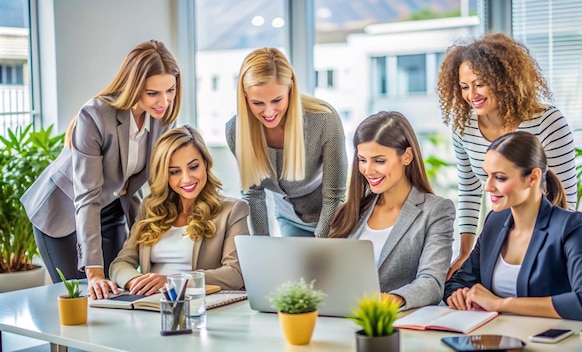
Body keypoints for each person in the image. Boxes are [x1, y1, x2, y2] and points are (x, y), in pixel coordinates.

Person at [20, 40, 181, 299]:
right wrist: (94, 273)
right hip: (64, 211)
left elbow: (158, 181)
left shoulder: (162, 117)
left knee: (115, 291)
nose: (164, 101)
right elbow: (86, 195)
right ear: (134, 85)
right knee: (82, 293)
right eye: (153, 93)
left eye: (170, 90)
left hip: (111, 206)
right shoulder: (95, 115)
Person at [437, 32, 578, 279]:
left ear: (503, 79)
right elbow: (470, 191)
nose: (472, 95)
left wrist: (543, 250)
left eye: (480, 84)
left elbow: (565, 199)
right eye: (463, 86)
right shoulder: (464, 128)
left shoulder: (547, 122)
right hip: (502, 238)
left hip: (548, 241)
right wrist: (465, 253)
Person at [444, 131, 582, 321]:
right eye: (487, 175)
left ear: (533, 177)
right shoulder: (494, 222)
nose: (488, 186)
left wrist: (500, 304)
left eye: (500, 178)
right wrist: (458, 295)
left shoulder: (571, 226)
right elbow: (459, 281)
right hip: (497, 336)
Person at [329, 111, 455, 310]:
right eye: (362, 159)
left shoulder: (436, 210)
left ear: (407, 156)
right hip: (343, 318)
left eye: (379, 161)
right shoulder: (350, 212)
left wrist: (392, 300)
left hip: (397, 323)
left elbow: (432, 282)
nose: (368, 170)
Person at [109, 126, 249, 295]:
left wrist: (174, 281)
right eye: (175, 171)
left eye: (193, 167)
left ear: (205, 162)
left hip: (196, 305)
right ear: (165, 175)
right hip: (150, 302)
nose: (186, 178)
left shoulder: (232, 211)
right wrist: (136, 282)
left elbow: (235, 274)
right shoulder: (150, 208)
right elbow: (121, 263)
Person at [225, 47, 347, 238]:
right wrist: (261, 248)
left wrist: (321, 245)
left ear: (290, 89)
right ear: (245, 96)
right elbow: (253, 195)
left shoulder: (323, 120)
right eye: (258, 103)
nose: (269, 112)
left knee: (319, 266)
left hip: (333, 219)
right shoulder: (236, 131)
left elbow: (334, 195)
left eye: (277, 100)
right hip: (289, 218)